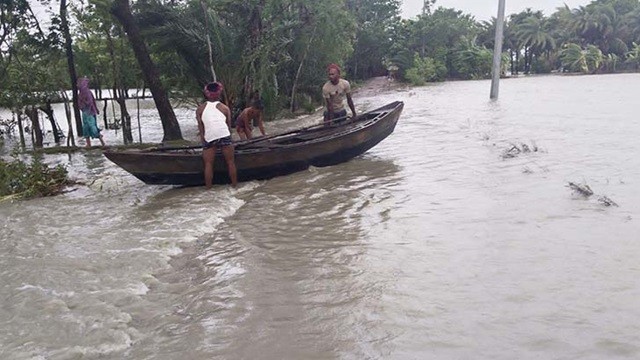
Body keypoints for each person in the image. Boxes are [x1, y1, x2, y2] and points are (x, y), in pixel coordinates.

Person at [196, 82, 238, 188]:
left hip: (209, 137)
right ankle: (234, 186)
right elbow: (228, 127)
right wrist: (229, 141)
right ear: (219, 93)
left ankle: (209, 189)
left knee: (208, 164)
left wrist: (204, 142)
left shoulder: (200, 109)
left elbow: (201, 128)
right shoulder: (225, 108)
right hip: (224, 134)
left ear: (206, 93)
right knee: (230, 162)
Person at [77, 77, 105, 147]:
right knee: (86, 127)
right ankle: (88, 144)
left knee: (92, 127)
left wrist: (84, 103)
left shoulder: (87, 92)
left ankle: (102, 142)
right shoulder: (81, 93)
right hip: (85, 112)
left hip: (89, 112)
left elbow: (90, 102)